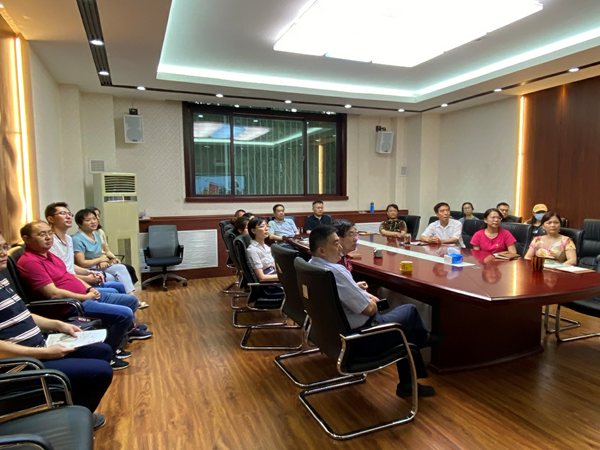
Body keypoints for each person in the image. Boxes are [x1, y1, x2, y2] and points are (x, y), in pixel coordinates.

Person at [308, 225, 437, 398]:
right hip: (362, 339)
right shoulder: (336, 271)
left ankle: (411, 374)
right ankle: (422, 341)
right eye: (336, 243)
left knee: (408, 329)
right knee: (410, 313)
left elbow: (337, 294)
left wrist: (355, 289)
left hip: (331, 337)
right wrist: (370, 301)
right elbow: (369, 310)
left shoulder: (311, 267)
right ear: (322, 250)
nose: (340, 247)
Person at [0, 232, 112, 428]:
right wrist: (45, 353)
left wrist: (58, 325)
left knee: (102, 350)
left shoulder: (2, 279)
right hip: (21, 365)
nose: (3, 253)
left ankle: (72, 409)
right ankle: (72, 422)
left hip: (40, 346)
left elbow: (24, 314)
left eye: (4, 247)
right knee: (101, 371)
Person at [17, 221, 152, 370]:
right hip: (69, 305)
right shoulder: (31, 262)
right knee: (124, 314)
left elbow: (69, 275)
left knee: (131, 300)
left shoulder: (48, 255)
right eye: (42, 234)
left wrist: (89, 289)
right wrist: (85, 297)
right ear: (26, 239)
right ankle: (108, 355)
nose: (48, 237)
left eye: (50, 233)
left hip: (83, 296)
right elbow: (53, 294)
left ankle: (121, 337)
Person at [46, 202, 128, 296]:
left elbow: (70, 265)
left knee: (119, 283)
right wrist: (86, 278)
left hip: (76, 277)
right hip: (67, 284)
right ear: (51, 219)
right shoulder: (50, 242)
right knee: (114, 289)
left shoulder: (68, 239)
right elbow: (60, 272)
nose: (68, 217)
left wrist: (89, 272)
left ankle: (132, 298)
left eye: (69, 214)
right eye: (63, 213)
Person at [72, 209, 138, 296]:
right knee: (110, 277)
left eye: (94, 219)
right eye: (88, 220)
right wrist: (100, 260)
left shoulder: (96, 235)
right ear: (80, 224)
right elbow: (81, 263)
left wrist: (104, 261)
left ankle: (132, 296)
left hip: (97, 265)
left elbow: (100, 254)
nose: (93, 222)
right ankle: (122, 298)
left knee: (121, 268)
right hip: (87, 269)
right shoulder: (77, 239)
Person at [87, 207, 139, 286]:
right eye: (94, 216)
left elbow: (106, 250)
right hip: (96, 262)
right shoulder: (83, 237)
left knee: (129, 268)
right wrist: (101, 261)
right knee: (122, 270)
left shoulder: (100, 232)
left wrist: (114, 258)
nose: (97, 218)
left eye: (98, 216)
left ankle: (128, 291)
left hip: (105, 259)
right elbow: (90, 255)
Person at [246, 217, 284, 296]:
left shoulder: (266, 247)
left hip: (274, 276)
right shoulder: (252, 250)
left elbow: (274, 265)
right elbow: (262, 277)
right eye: (262, 226)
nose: (266, 229)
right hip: (268, 285)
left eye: (267, 226)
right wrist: (282, 276)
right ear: (253, 231)